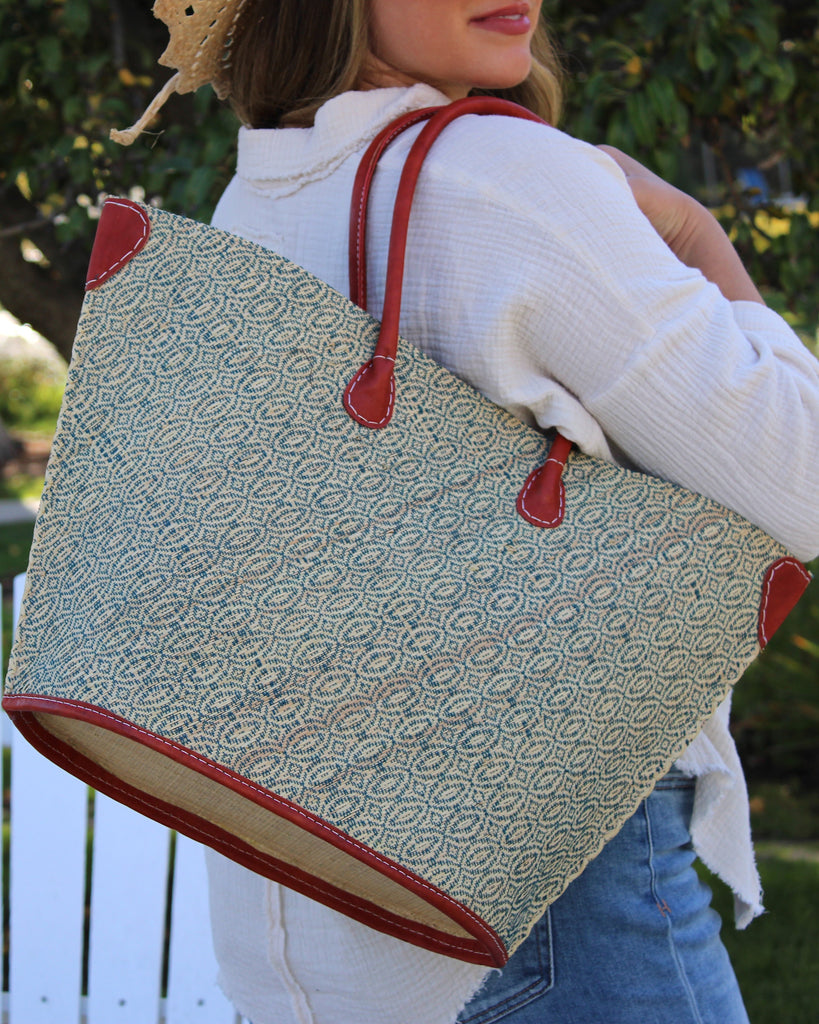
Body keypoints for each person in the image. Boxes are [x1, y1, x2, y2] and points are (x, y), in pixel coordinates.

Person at [117, 2, 819, 1022]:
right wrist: (700, 236)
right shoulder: (503, 177)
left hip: (318, 913)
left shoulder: (255, 198)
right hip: (548, 901)